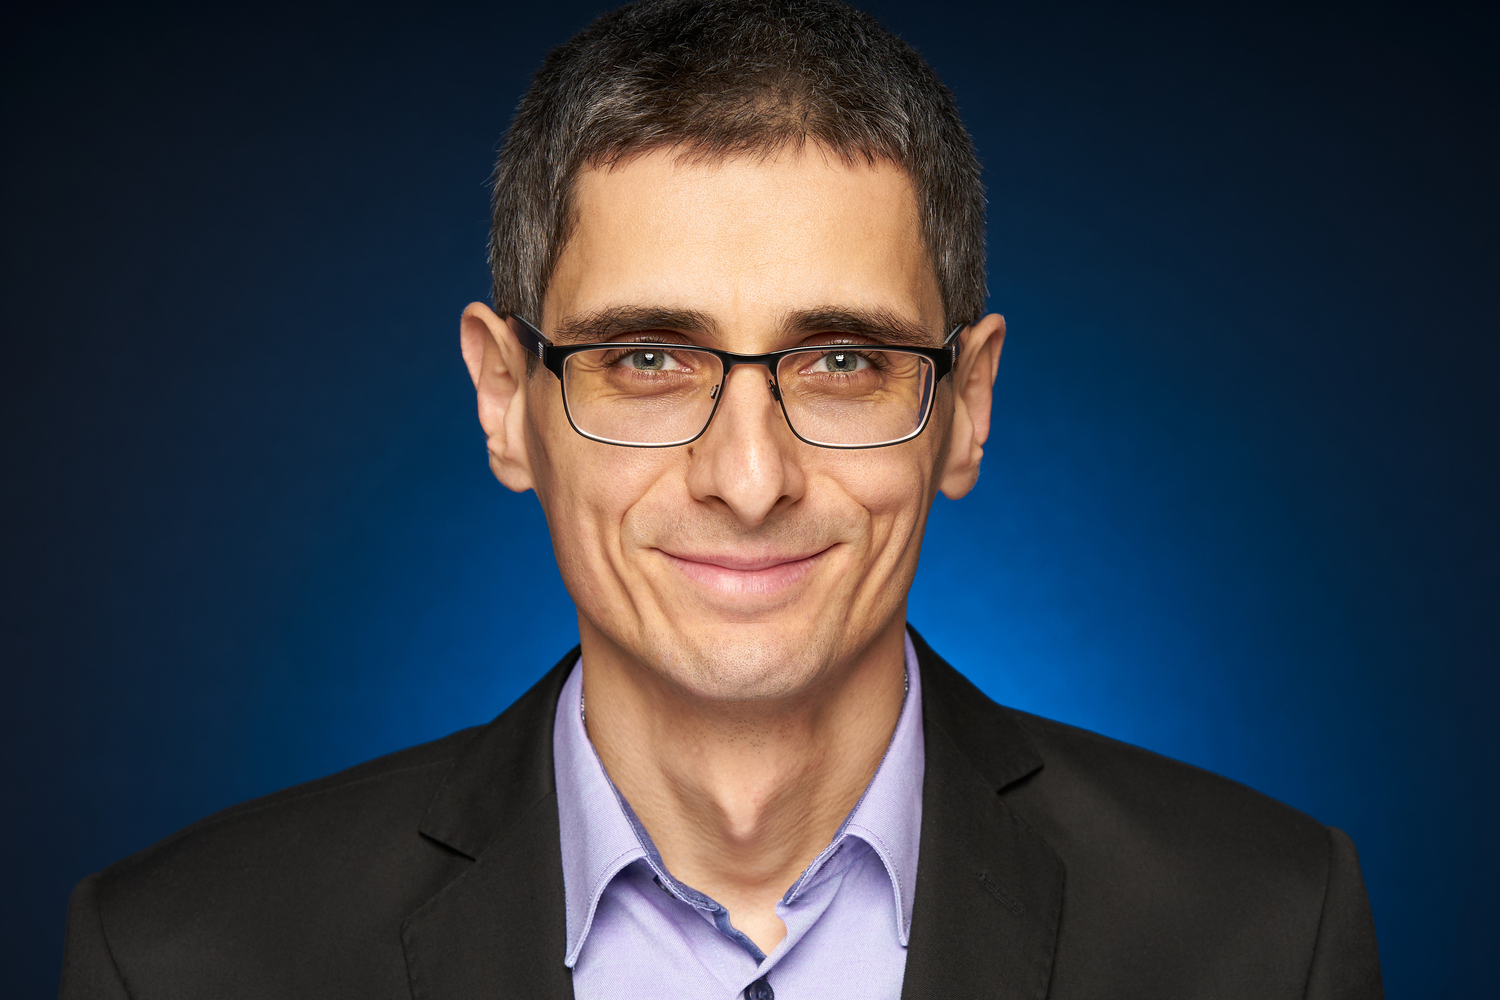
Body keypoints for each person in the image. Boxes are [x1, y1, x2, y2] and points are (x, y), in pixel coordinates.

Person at [59, 1, 1384, 997]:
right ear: (505, 401)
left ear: (967, 406)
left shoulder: (1265, 935)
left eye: (844, 361)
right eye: (648, 359)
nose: (749, 481)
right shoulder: (184, 959)